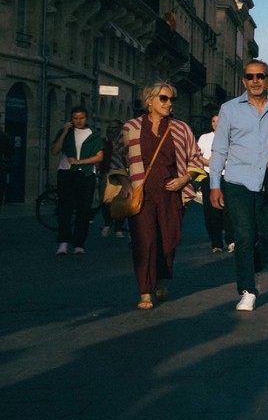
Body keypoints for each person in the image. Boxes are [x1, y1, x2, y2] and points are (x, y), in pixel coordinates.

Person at [209, 60, 268, 312]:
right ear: (244, 81)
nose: (255, 81)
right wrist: (215, 184)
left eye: (261, 76)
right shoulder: (229, 109)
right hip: (237, 181)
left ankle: (252, 268)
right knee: (244, 237)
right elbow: (219, 148)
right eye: (250, 77)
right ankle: (247, 290)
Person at [111, 82, 204, 310]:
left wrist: (184, 179)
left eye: (172, 99)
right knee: (144, 241)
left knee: (168, 242)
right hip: (141, 191)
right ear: (149, 100)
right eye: (164, 98)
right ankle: (145, 291)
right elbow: (116, 158)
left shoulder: (181, 128)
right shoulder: (131, 127)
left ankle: (160, 277)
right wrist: (124, 183)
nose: (169, 103)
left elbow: (195, 158)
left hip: (171, 194)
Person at [52, 105, 104, 255]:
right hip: (66, 172)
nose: (79, 121)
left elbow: (99, 156)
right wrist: (64, 132)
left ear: (86, 118)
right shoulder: (65, 132)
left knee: (83, 209)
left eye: (81, 118)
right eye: (75, 118)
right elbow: (55, 150)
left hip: (85, 174)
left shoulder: (93, 134)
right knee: (64, 208)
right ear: (71, 119)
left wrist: (81, 162)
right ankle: (63, 241)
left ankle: (79, 243)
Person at [195, 112, 234, 253]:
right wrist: (211, 163)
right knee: (211, 211)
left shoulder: (232, 138)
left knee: (229, 210)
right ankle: (216, 243)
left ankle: (230, 240)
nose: (216, 124)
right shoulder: (205, 138)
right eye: (213, 121)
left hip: (228, 176)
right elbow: (197, 156)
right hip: (209, 176)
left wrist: (223, 164)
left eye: (219, 121)